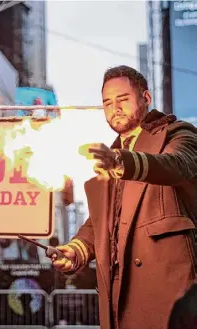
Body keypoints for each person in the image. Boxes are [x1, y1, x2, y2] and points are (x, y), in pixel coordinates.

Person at [53, 65, 197, 329]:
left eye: (122, 99)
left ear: (146, 98)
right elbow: (100, 223)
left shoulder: (177, 133)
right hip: (120, 299)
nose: (114, 108)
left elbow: (178, 164)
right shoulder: (110, 158)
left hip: (170, 293)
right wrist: (75, 250)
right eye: (107, 102)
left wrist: (122, 162)